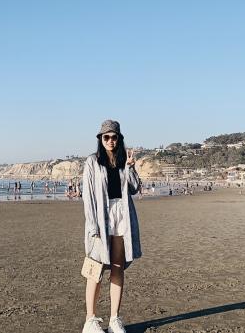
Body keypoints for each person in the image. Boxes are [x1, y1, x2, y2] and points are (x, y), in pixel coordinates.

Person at [82, 120, 141, 333]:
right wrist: (92, 226)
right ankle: (90, 320)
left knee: (117, 268)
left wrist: (131, 168)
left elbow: (134, 189)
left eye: (114, 137)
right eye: (106, 137)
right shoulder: (92, 162)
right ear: (100, 139)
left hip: (122, 216)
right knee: (95, 269)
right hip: (101, 217)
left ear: (119, 138)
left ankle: (114, 319)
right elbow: (88, 196)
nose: (110, 141)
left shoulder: (124, 160)